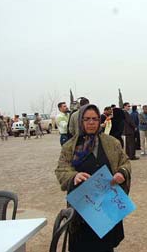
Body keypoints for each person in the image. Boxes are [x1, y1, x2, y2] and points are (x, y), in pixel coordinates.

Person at [55, 104, 131, 252]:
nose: (91, 123)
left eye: (95, 119)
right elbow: (61, 169)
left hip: (106, 205)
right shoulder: (70, 146)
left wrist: (122, 172)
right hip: (82, 209)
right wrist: (74, 176)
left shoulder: (112, 143)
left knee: (106, 246)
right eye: (87, 119)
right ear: (80, 121)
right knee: (82, 245)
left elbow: (125, 162)